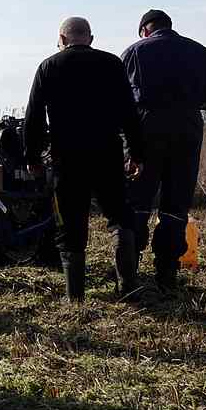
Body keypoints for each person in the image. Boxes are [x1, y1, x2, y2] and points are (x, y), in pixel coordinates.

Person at [23, 17, 145, 303]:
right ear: (90, 38)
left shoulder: (49, 67)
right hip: (107, 153)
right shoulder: (112, 64)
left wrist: (32, 156)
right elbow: (130, 113)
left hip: (67, 158)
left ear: (62, 39)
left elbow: (34, 117)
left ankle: (75, 297)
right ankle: (128, 287)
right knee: (120, 216)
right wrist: (137, 153)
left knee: (70, 223)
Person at [122, 9, 206, 295]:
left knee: (138, 201)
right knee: (175, 205)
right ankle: (167, 274)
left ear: (145, 29)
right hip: (187, 133)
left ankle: (129, 273)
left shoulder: (134, 52)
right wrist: (189, 103)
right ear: (170, 27)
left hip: (145, 133)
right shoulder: (199, 51)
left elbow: (121, 101)